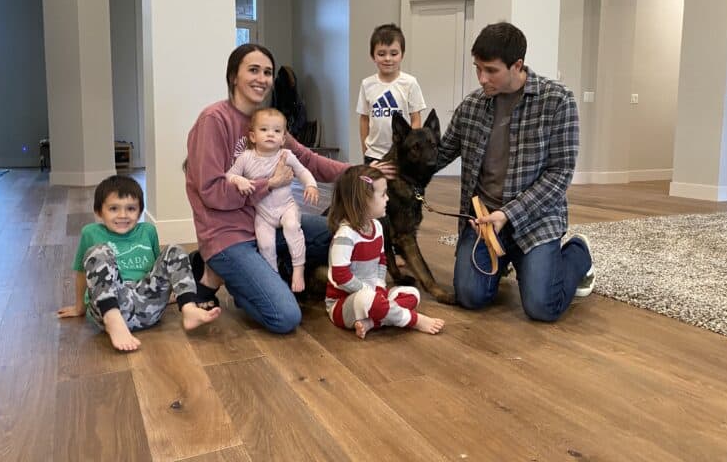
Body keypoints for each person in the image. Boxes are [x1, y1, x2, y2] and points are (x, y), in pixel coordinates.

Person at [184, 44, 350, 334]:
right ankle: (230, 276)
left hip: (268, 222)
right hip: (228, 235)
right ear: (234, 76)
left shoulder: (268, 123)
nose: (262, 78)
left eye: (268, 72)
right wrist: (269, 184)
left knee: (337, 232)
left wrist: (360, 172)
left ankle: (261, 269)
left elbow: (308, 160)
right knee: (285, 317)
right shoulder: (213, 120)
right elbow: (211, 192)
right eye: (253, 70)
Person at [436, 22, 595, 322]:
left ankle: (578, 252)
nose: (482, 78)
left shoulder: (557, 101)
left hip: (536, 220)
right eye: (477, 68)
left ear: (517, 65)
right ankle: (508, 259)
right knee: (470, 296)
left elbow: (560, 174)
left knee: (542, 307)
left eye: (491, 70)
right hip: (483, 222)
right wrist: (393, 164)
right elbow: (441, 154)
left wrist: (508, 214)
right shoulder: (471, 106)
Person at [57, 175, 221, 351]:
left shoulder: (148, 230)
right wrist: (79, 307)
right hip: (110, 306)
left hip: (148, 307)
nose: (123, 215)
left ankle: (189, 309)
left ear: (140, 210)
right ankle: (113, 320)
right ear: (99, 211)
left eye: (131, 208)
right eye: (113, 209)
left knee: (174, 249)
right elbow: (83, 272)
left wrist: (172, 294)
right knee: (97, 252)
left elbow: (160, 268)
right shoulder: (90, 233)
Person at [325, 165, 445, 339]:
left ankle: (373, 322)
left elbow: (381, 260)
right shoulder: (346, 235)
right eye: (382, 195)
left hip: (371, 294)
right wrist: (370, 291)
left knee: (413, 294)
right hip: (343, 303)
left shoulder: (377, 227)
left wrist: (380, 286)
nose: (388, 199)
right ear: (363, 200)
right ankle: (413, 320)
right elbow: (340, 276)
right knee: (369, 300)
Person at [225, 107, 319, 293]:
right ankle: (273, 276)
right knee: (265, 244)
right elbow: (229, 175)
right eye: (264, 130)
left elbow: (303, 171)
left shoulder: (286, 155)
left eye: (277, 131)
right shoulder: (246, 158)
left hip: (286, 207)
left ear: (283, 139)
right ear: (252, 136)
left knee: (292, 226)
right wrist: (239, 179)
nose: (270, 134)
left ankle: (298, 269)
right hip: (263, 214)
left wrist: (311, 185)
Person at [356, 23, 427, 165]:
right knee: (374, 188)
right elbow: (364, 119)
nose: (388, 58)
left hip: (402, 153)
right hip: (374, 154)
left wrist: (410, 147)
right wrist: (365, 149)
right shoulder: (366, 84)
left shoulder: (410, 83)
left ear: (402, 55)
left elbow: (416, 119)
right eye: (381, 54)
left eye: (394, 53)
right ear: (373, 56)